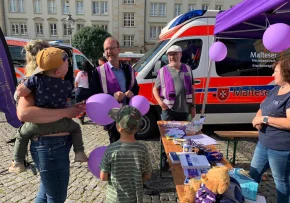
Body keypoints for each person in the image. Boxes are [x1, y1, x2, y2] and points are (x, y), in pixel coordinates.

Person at [11, 40, 84, 202]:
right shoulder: (34, 81)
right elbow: (24, 113)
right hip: (49, 146)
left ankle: (18, 160)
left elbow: (60, 105)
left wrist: (73, 108)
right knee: (56, 196)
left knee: (46, 194)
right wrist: (66, 111)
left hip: (54, 145)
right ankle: (17, 160)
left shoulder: (46, 82)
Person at [251, 58, 290, 203]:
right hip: (263, 144)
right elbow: (262, 109)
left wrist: (264, 119)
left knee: (281, 182)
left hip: (281, 148)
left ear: (286, 73)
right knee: (252, 175)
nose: (273, 75)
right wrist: (258, 118)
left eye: (276, 71)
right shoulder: (275, 90)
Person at [100, 105, 152, 203]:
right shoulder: (142, 149)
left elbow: (103, 177)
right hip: (134, 198)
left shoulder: (111, 149)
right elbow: (147, 175)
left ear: (118, 127)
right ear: (137, 128)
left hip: (114, 198)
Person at [97, 37, 139, 143]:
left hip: (129, 115)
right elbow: (95, 94)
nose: (109, 52)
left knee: (129, 145)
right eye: (106, 49)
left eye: (112, 48)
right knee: (115, 146)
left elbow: (135, 86)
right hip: (112, 117)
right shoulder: (98, 72)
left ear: (118, 50)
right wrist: (112, 96)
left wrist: (133, 92)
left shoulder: (128, 69)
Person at [153, 45, 196, 121]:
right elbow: (155, 89)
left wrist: (193, 106)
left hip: (185, 111)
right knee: (168, 133)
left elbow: (192, 89)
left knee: (183, 132)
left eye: (175, 54)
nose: (172, 57)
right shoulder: (162, 71)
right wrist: (160, 103)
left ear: (180, 54)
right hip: (168, 111)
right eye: (170, 55)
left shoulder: (188, 69)